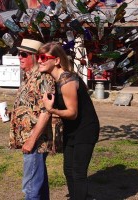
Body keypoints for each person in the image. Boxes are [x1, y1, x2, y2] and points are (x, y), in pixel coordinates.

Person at [38, 42, 100, 200]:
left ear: (57, 60)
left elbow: (72, 113)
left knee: (78, 172)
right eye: (38, 57)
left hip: (85, 129)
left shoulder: (67, 80)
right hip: (72, 129)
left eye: (44, 57)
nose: (39, 60)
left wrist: (51, 110)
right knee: (68, 169)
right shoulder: (56, 80)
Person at [8, 39, 57, 200]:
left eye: (23, 54)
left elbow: (46, 111)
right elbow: (31, 107)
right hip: (29, 138)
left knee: (31, 187)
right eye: (18, 54)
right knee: (38, 185)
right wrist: (12, 115)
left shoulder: (43, 78)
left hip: (36, 141)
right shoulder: (28, 77)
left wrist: (31, 140)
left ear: (35, 57)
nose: (19, 57)